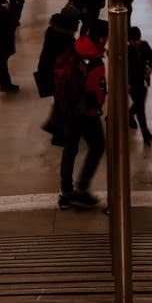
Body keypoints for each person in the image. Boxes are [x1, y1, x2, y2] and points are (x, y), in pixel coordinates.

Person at [57, 18, 108, 210]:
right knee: (98, 146)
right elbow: (97, 91)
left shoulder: (78, 45)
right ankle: (82, 189)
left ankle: (66, 191)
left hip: (68, 105)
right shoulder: (94, 60)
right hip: (86, 111)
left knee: (70, 148)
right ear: (102, 38)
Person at [36, 12, 78, 146]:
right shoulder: (64, 39)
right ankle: (57, 134)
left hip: (50, 72)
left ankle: (53, 126)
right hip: (57, 75)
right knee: (62, 103)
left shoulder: (51, 32)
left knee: (60, 102)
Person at [128, 25, 152, 145]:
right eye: (133, 41)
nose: (136, 43)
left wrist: (150, 67)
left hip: (143, 80)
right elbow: (125, 69)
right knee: (140, 107)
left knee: (140, 104)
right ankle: (145, 133)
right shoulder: (128, 52)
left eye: (137, 40)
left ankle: (129, 113)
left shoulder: (144, 45)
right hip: (133, 84)